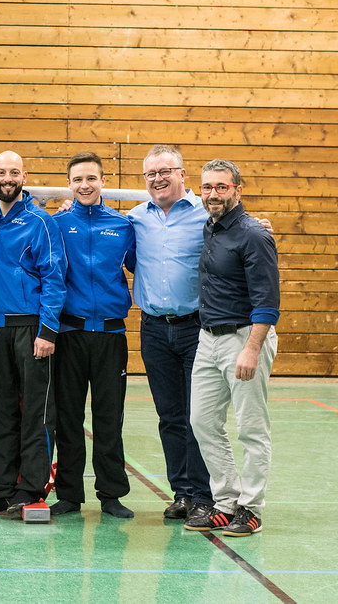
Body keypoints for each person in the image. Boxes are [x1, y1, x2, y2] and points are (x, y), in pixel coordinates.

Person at [185, 159, 279, 537]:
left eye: (221, 187)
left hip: (245, 338)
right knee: (202, 421)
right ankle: (225, 502)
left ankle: (251, 508)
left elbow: (267, 301)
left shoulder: (254, 235)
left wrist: (252, 349)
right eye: (207, 187)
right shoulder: (210, 226)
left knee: (251, 428)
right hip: (208, 339)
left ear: (237, 190)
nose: (213, 194)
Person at [126, 144, 214, 522]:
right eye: (151, 174)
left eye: (165, 171)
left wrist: (257, 225)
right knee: (170, 417)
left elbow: (236, 233)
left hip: (196, 328)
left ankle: (205, 495)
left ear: (182, 174)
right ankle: (182, 492)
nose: (158, 179)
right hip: (153, 330)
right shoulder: (134, 219)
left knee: (200, 417)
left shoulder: (205, 214)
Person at [0, 150, 66, 516]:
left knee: (36, 414)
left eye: (14, 172)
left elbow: (54, 278)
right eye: (1, 172)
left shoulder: (40, 221)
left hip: (31, 329)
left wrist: (48, 331)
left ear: (24, 177)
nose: (7, 178)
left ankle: (30, 487)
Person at [51, 152, 136, 519]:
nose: (84, 185)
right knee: (67, 418)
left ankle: (111, 494)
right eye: (78, 180)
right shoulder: (56, 224)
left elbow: (147, 262)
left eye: (91, 178)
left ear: (103, 181)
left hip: (111, 337)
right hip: (69, 335)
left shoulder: (123, 225)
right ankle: (69, 494)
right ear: (69, 184)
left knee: (109, 418)